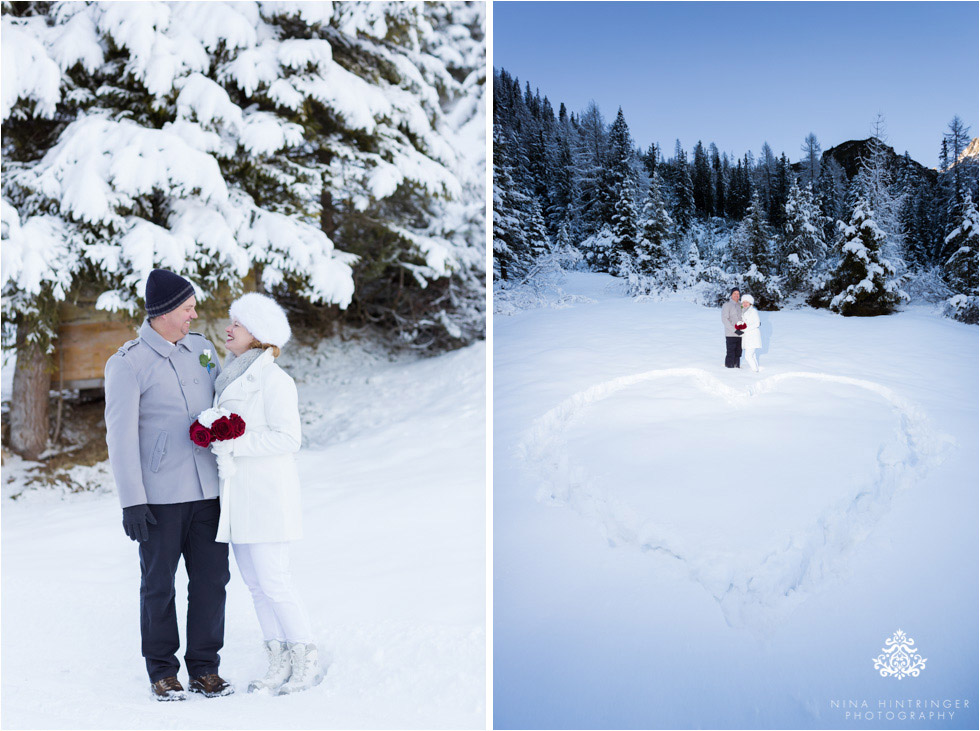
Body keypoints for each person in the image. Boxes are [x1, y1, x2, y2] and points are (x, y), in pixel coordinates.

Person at [104, 269, 233, 701]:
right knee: (159, 586)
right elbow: (119, 437)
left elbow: (223, 406)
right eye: (187, 308)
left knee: (212, 582)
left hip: (209, 493)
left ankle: (205, 668)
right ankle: (162, 670)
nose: (194, 315)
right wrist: (131, 502)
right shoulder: (128, 363)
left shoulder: (202, 350)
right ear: (162, 313)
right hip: (159, 499)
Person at [209, 292, 322, 695]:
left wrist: (233, 443)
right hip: (238, 499)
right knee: (256, 587)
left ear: (256, 335)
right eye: (231, 320)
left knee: (276, 582)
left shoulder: (275, 380)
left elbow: (289, 438)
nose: (228, 328)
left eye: (236, 323)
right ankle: (277, 661)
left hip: (267, 499)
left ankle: (304, 657)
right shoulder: (230, 377)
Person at [739, 294, 762, 372]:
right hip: (747, 337)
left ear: (750, 303)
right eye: (743, 302)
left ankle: (755, 371)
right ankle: (756, 369)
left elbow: (757, 323)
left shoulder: (753, 311)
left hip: (753, 336)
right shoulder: (742, 312)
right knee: (752, 355)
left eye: (747, 302)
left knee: (748, 356)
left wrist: (745, 329)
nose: (745, 304)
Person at [721, 287, 742, 368]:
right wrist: (734, 330)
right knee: (731, 352)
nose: (736, 295)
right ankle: (729, 370)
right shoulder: (727, 305)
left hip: (740, 334)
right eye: (734, 293)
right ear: (731, 295)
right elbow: (724, 320)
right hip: (731, 334)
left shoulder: (741, 305)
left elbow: (746, 316)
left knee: (738, 353)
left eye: (738, 293)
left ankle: (737, 368)